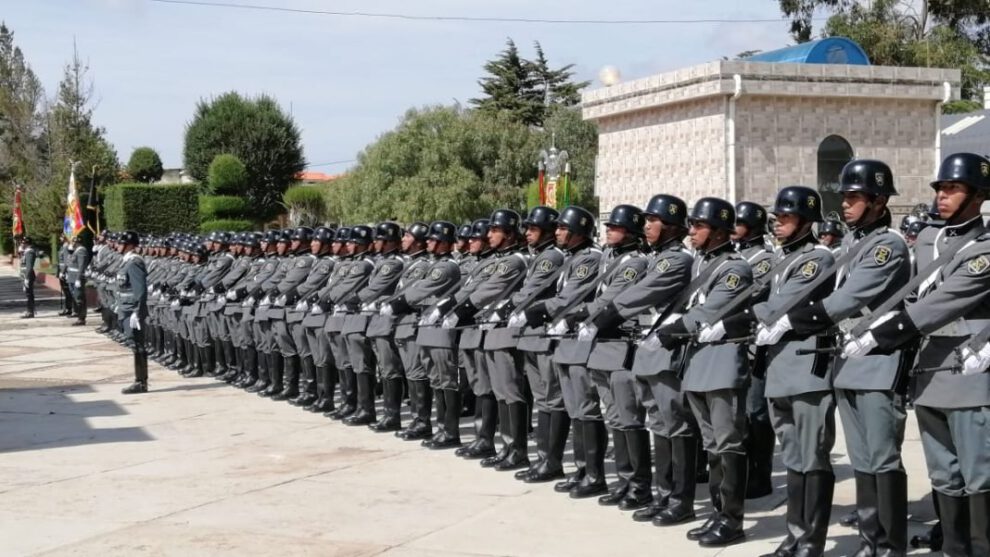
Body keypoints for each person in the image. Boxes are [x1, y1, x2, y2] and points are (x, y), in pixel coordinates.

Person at [843, 152, 990, 556]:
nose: (942, 196)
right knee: (944, 475)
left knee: (979, 477)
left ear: (978, 195)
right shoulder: (929, 239)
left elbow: (943, 301)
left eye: (953, 188)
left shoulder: (984, 249)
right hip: (929, 371)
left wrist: (885, 333)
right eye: (940, 188)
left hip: (967, 376)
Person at [767, 159, 912, 556]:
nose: (844, 205)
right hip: (848, 361)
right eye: (844, 197)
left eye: (853, 197)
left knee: (882, 457)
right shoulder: (851, 245)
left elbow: (850, 298)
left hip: (880, 360)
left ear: (879, 201)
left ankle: (888, 546)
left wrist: (793, 320)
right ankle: (870, 542)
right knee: (864, 459)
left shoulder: (888, 246)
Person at [658, 197, 753, 547]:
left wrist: (672, 329)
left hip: (723, 364)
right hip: (698, 363)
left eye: (699, 226)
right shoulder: (703, 263)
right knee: (713, 445)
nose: (692, 231)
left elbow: (711, 310)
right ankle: (717, 512)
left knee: (728, 443)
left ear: (717, 231)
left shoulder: (734, 267)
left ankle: (732, 519)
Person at [119, 231, 150, 394]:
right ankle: (140, 380)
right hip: (126, 308)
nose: (118, 245)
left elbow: (140, 290)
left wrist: (137, 312)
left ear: (130, 245)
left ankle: (141, 382)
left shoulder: (134, 263)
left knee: (137, 344)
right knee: (134, 343)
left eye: (121, 243)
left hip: (132, 310)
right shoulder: (126, 262)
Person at [18, 237, 36, 319]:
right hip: (25, 275)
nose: (22, 244)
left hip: (28, 276)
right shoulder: (26, 252)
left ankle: (30, 312)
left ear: (27, 243)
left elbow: (29, 267)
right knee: (28, 294)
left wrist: (27, 278)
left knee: (29, 294)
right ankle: (30, 310)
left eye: (23, 243)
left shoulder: (30, 252)